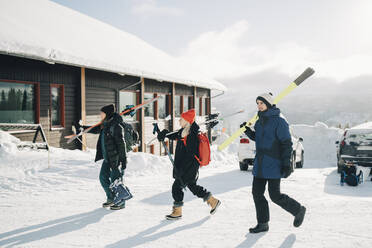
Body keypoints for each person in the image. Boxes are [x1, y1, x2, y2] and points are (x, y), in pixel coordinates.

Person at [240, 93, 306, 233]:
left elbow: (286, 143)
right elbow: (258, 138)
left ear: (268, 104)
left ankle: (298, 210)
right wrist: (247, 131)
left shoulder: (279, 122)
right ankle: (263, 223)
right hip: (260, 163)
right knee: (256, 193)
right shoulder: (260, 121)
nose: (259, 106)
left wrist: (286, 163)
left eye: (261, 103)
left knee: (275, 195)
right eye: (257, 103)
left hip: (274, 163)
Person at [157, 109, 221, 220]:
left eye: (181, 119)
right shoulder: (184, 131)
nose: (179, 121)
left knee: (176, 187)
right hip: (187, 166)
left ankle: (177, 211)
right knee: (193, 187)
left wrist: (182, 170)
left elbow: (191, 155)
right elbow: (174, 135)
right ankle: (213, 201)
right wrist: (164, 133)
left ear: (187, 120)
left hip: (189, 166)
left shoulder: (192, 134)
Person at [75, 104, 127, 210]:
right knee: (103, 177)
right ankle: (111, 198)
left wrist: (123, 160)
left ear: (107, 114)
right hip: (107, 158)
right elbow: (95, 129)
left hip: (115, 158)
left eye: (102, 113)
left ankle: (121, 203)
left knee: (116, 180)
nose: (100, 115)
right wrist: (82, 128)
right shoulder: (105, 124)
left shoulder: (116, 126)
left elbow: (122, 144)